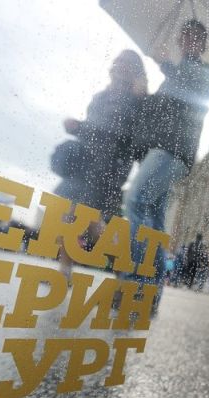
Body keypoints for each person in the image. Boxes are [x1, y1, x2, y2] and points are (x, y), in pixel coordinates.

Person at [123, 20, 209, 295]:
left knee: (136, 201)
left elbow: (189, 92)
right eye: (185, 36)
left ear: (203, 44)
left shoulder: (204, 73)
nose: (189, 41)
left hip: (173, 150)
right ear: (180, 40)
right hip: (162, 148)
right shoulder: (175, 74)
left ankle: (134, 283)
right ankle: (149, 291)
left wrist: (165, 63)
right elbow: (160, 111)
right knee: (153, 216)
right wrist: (143, 95)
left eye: (195, 37)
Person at [53, 50, 147, 277]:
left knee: (94, 221)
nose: (118, 65)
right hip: (84, 163)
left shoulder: (136, 99)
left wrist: (81, 128)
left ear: (134, 70)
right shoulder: (99, 97)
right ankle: (65, 270)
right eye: (117, 61)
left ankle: (123, 270)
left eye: (125, 63)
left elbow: (122, 135)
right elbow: (93, 129)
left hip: (109, 167)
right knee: (70, 214)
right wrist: (77, 127)